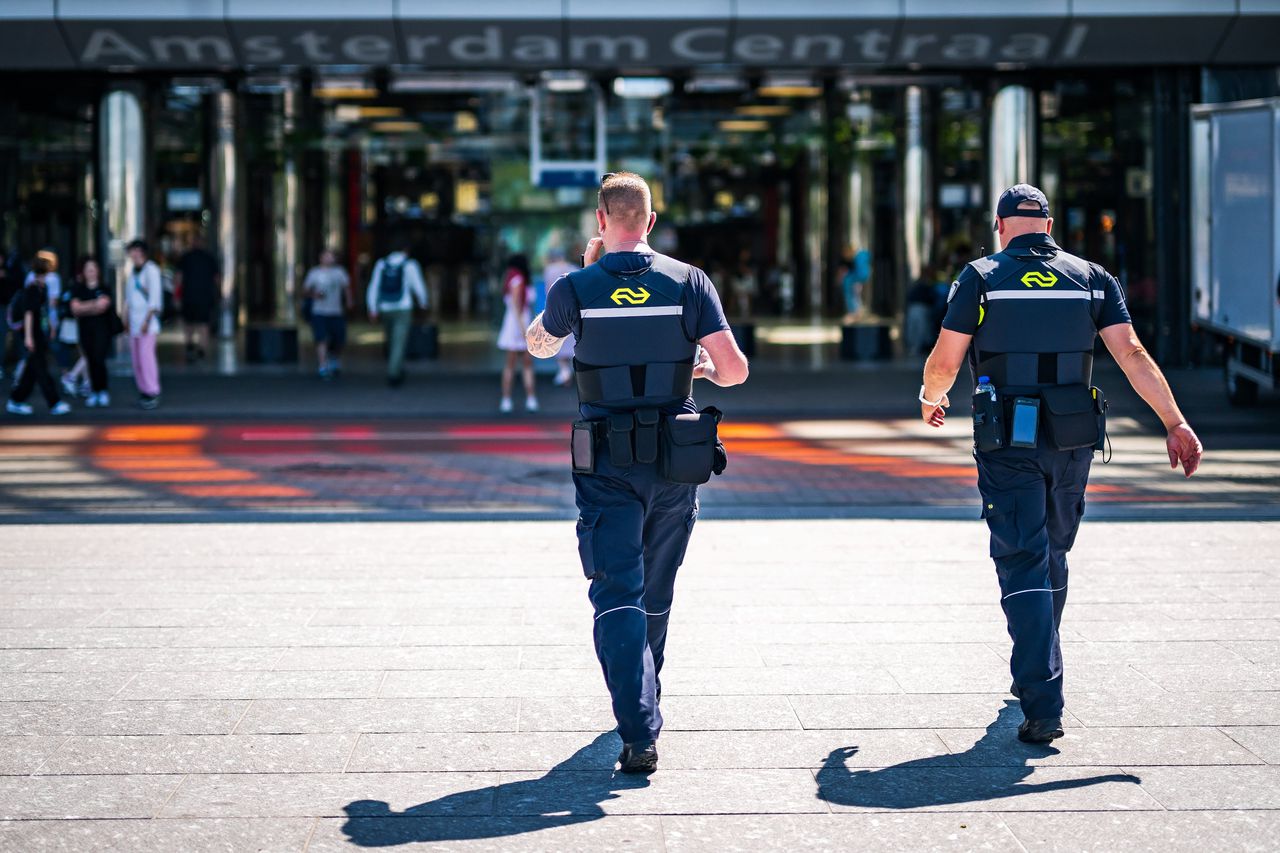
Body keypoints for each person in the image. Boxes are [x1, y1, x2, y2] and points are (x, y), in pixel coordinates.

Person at [919, 184, 1203, 745]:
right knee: (1052, 549)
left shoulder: (980, 277)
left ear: (1001, 226)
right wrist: (1175, 422)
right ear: (1048, 226)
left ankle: (1043, 700)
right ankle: (1039, 658)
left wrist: (932, 398)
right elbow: (1132, 355)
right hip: (1073, 438)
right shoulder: (1093, 278)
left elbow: (945, 358)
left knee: (1022, 555)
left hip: (1009, 440)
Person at [525, 171, 750, 773]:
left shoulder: (577, 286)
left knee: (615, 588)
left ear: (601, 222)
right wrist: (696, 368)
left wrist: (586, 270)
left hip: (605, 461)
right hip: (676, 458)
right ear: (650, 223)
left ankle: (638, 725)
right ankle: (644, 700)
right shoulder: (689, 281)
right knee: (655, 588)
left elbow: (539, 347)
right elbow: (735, 371)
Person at [6, 256, 70, 416]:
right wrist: (28, 337)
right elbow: (29, 314)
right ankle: (54, 402)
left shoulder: (40, 288)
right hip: (33, 334)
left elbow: (41, 311)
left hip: (37, 333)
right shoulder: (33, 290)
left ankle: (16, 400)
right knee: (40, 369)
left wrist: (49, 326)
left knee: (32, 370)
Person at [366, 240, 427, 387]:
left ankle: (395, 367)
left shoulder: (381, 264)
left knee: (391, 339)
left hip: (385, 308)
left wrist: (372, 308)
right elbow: (418, 285)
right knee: (398, 342)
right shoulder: (410, 264)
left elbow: (374, 286)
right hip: (403, 307)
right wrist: (424, 302)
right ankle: (394, 373)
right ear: (406, 249)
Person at [70, 257, 119, 407]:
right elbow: (75, 309)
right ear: (84, 272)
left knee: (99, 359)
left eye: (93, 269)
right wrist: (93, 305)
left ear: (97, 271)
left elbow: (103, 306)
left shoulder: (104, 288)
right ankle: (93, 391)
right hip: (85, 330)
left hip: (102, 330)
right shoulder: (78, 288)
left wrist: (84, 307)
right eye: (88, 270)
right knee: (90, 360)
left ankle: (102, 390)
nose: (91, 272)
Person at [124, 239, 163, 410]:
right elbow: (128, 298)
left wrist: (147, 320)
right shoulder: (133, 272)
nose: (133, 254)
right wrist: (125, 317)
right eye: (131, 251)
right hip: (134, 322)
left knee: (146, 358)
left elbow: (154, 297)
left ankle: (152, 391)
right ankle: (143, 390)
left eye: (135, 250)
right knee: (137, 359)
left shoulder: (151, 270)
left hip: (147, 322)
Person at [497, 254, 538, 413]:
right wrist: (523, 330)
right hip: (519, 324)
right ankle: (527, 398)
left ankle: (508, 399)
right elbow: (517, 306)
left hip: (515, 324)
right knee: (522, 364)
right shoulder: (519, 279)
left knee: (511, 365)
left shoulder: (511, 278)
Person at [303, 249, 351, 380]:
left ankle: (334, 359)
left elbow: (346, 288)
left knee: (338, 339)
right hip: (319, 312)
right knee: (321, 339)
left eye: (331, 256)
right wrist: (315, 295)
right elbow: (305, 290)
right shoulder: (314, 273)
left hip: (336, 311)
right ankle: (323, 365)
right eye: (327, 256)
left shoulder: (340, 272)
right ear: (321, 258)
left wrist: (349, 301)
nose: (330, 259)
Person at [175, 233, 220, 363]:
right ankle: (201, 349)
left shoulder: (186, 257)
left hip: (189, 295)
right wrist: (218, 293)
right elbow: (217, 279)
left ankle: (190, 346)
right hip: (204, 296)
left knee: (189, 323)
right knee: (203, 324)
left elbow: (178, 278)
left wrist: (176, 295)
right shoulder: (209, 258)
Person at [542, 248, 578, 387]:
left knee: (558, 339)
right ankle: (568, 372)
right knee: (572, 340)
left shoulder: (549, 270)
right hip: (573, 309)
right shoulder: (573, 268)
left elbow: (547, 291)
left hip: (556, 309)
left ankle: (564, 371)